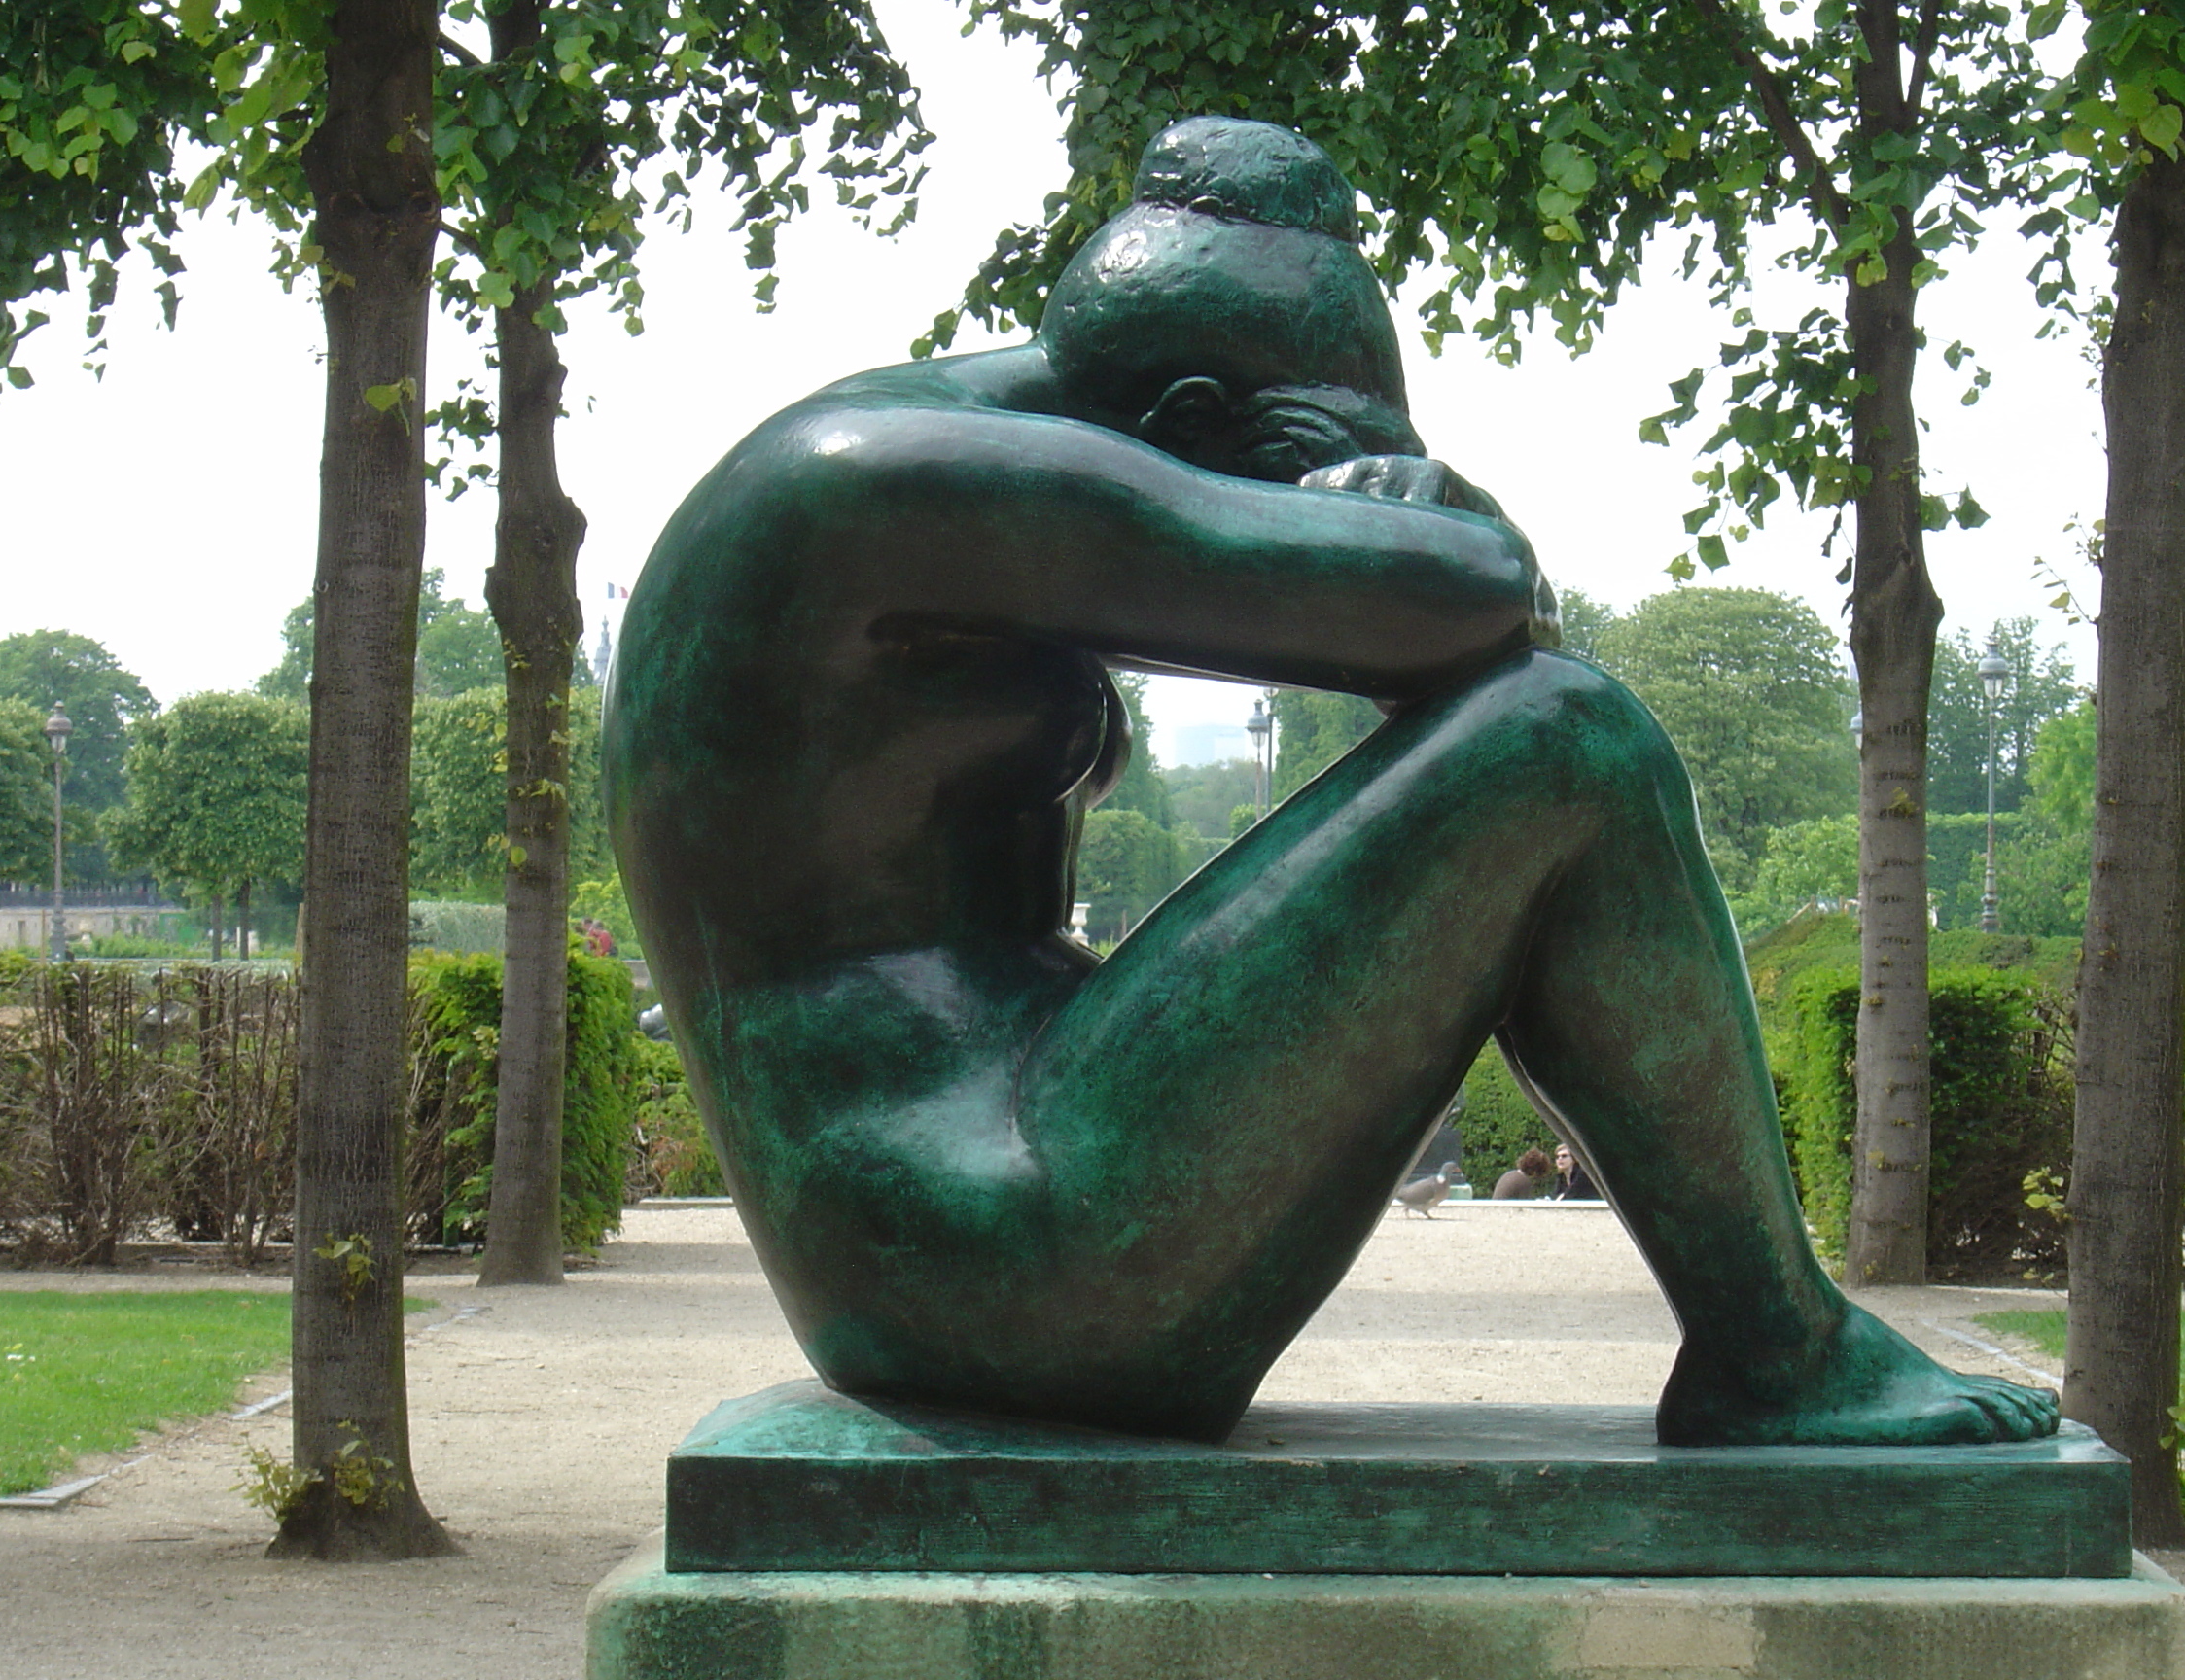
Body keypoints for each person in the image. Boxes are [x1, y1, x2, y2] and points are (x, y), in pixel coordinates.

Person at [605, 117, 2057, 1451]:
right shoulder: (879, 484)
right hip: (998, 1257)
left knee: (1543, 739)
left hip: (984, 1196)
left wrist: (1365, 489)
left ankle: (1779, 1351)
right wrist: (1422, 505)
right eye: (1295, 458)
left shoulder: (939, 458)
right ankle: (1781, 1357)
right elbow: (1467, 605)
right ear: (1183, 410)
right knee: (1567, 743)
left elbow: (1416, 635)